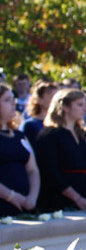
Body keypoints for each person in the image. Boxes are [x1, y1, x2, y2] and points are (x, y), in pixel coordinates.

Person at [36, 89, 86, 211]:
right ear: (65, 107)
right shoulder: (50, 135)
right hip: (62, 202)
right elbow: (51, 172)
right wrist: (77, 199)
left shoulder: (84, 136)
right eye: (80, 105)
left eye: (85, 105)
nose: (84, 109)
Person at [0, 84, 40, 216]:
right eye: (7, 100)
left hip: (24, 207)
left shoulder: (19, 135)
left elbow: (33, 170)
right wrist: (11, 196)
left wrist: (32, 197)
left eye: (13, 99)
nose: (13, 103)